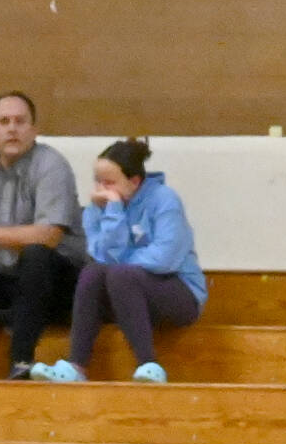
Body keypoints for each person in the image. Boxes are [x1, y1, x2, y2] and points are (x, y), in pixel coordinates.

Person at [32, 137, 206, 384]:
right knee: (92, 273)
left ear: (134, 181)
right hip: (126, 291)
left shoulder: (165, 200)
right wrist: (112, 212)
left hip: (178, 292)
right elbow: (101, 256)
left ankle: (149, 364)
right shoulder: (99, 206)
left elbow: (165, 258)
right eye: (98, 181)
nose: (102, 188)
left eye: (110, 182)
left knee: (120, 274)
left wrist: (121, 263)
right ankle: (76, 366)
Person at [0, 91, 87, 379]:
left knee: (36, 254)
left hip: (57, 283)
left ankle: (21, 363)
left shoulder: (52, 165)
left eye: (20, 121)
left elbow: (49, 236)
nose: (12, 128)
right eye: (4, 121)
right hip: (5, 281)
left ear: (34, 130)